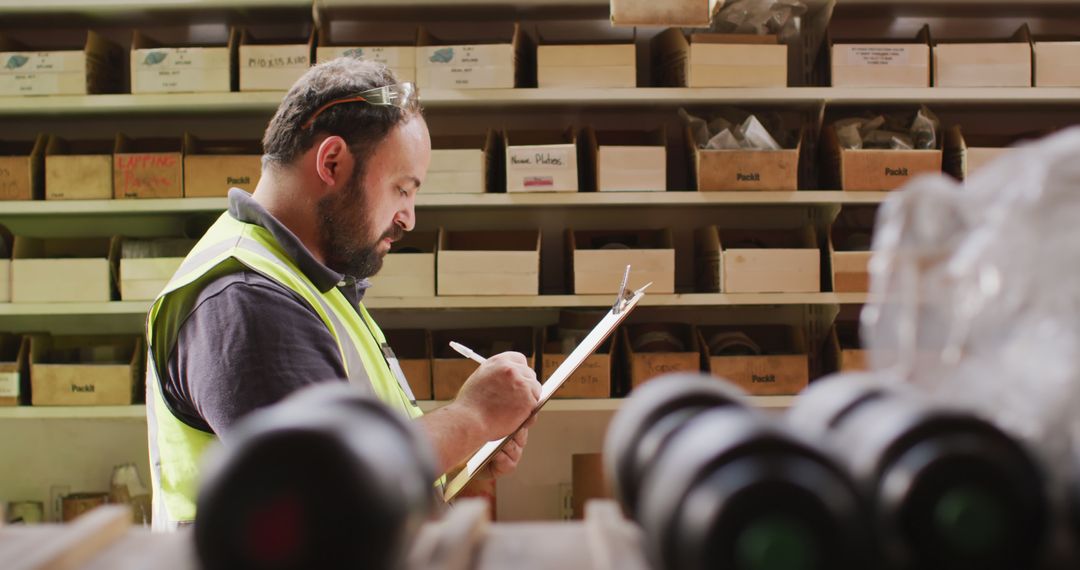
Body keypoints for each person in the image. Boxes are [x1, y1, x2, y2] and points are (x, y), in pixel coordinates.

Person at [145, 58, 541, 530]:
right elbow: (325, 494)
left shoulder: (310, 282)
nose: (409, 218)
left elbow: (356, 460)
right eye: (402, 189)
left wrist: (457, 459)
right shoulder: (248, 299)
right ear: (331, 162)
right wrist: (471, 417)